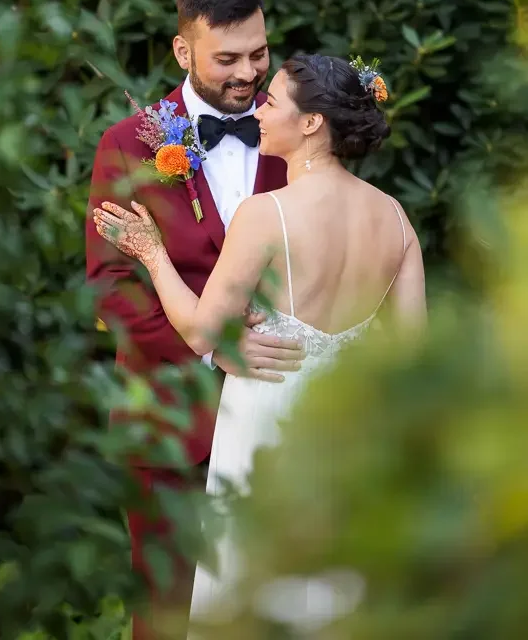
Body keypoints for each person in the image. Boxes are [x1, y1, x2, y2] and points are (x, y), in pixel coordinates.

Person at [93, 53, 427, 629]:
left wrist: (151, 252)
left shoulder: (266, 213)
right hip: (342, 436)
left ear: (312, 124)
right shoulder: (396, 220)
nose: (259, 109)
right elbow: (413, 358)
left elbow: (200, 328)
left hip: (264, 421)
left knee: (249, 598)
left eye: (272, 102)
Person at [85, 0, 299, 639]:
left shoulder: (296, 135)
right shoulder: (130, 144)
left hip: (282, 419)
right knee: (168, 611)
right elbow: (113, 291)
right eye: (227, 59)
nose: (248, 73)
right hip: (172, 423)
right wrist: (215, 344)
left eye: (259, 53)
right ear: (183, 52)